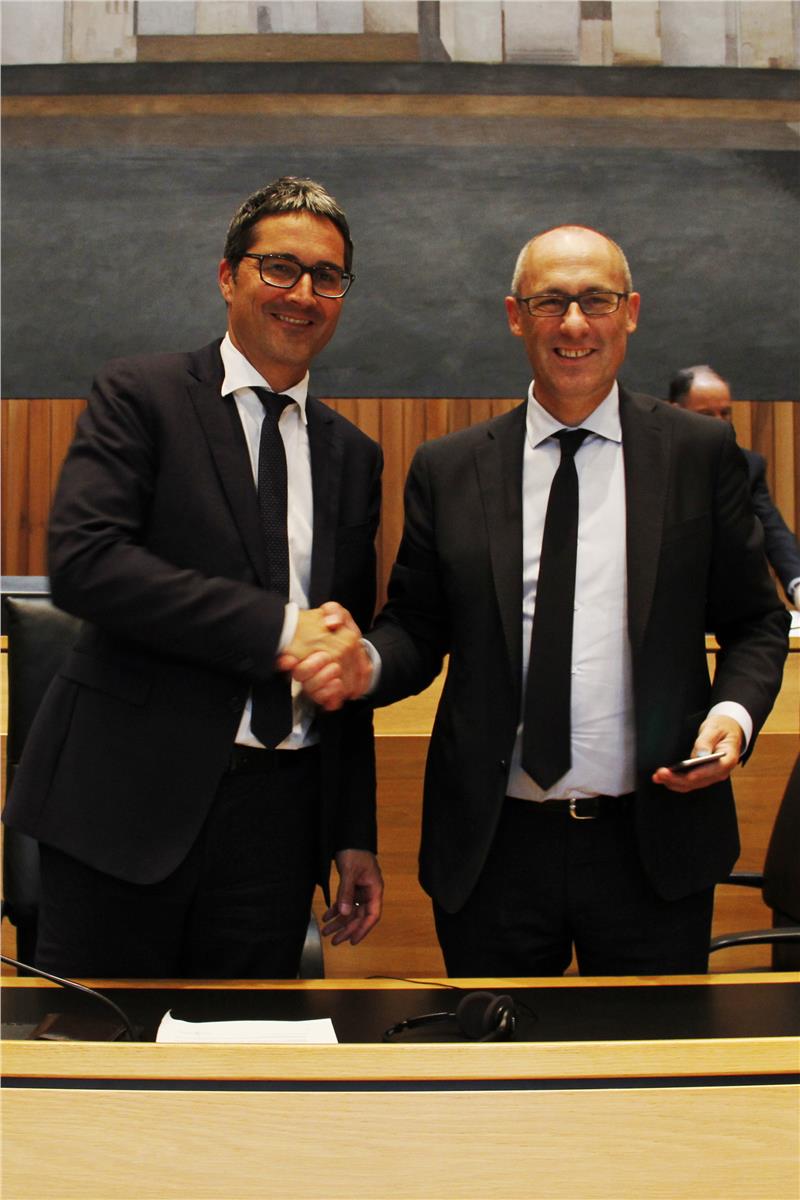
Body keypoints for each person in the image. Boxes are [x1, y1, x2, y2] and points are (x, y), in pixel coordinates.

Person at [291, 224, 790, 977]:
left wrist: (733, 717)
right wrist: (366, 662)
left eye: (597, 300)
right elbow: (418, 628)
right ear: (515, 317)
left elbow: (755, 621)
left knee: (648, 1054)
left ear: (631, 312)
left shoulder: (699, 453)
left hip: (653, 846)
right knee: (496, 1051)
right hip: (494, 851)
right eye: (551, 302)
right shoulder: (450, 469)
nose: (575, 323)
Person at [3, 176, 384, 978]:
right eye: (279, 267)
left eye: (327, 277)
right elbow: (86, 562)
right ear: (227, 276)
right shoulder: (142, 396)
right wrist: (278, 629)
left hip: (277, 831)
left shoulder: (354, 456)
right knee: (100, 1047)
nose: (303, 294)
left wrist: (353, 833)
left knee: (243, 1052)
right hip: (124, 810)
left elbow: (339, 653)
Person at [669, 365, 800, 611]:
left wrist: (797, 584)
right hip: (668, 608)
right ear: (677, 413)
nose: (721, 425)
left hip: (728, 609)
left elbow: (773, 530)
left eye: (725, 413)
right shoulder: (653, 466)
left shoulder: (747, 466)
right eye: (707, 415)